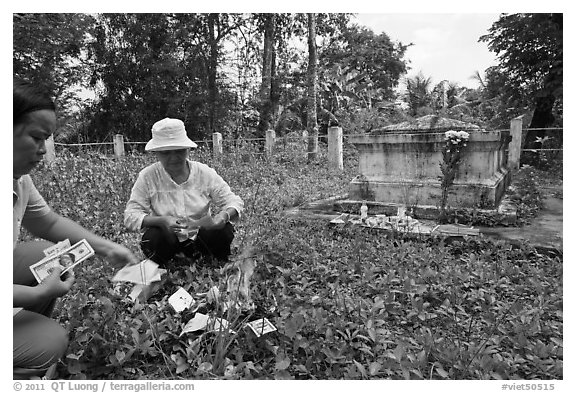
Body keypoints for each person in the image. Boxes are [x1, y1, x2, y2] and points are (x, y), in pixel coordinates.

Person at [13, 79, 139, 379]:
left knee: (44, 257)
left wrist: (108, 247)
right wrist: (38, 294)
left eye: (47, 139)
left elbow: (48, 221)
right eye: (36, 137)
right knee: (51, 342)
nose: (44, 149)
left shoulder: (18, 179)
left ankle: (20, 325)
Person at [124, 118, 244, 267]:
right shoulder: (148, 176)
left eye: (179, 151)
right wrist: (162, 221)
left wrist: (222, 216)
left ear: (188, 150)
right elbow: (130, 215)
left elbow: (234, 201)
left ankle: (212, 260)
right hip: (169, 240)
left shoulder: (203, 172)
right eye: (166, 153)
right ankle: (166, 263)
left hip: (201, 238)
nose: (173, 158)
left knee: (224, 229)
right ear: (156, 153)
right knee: (153, 237)